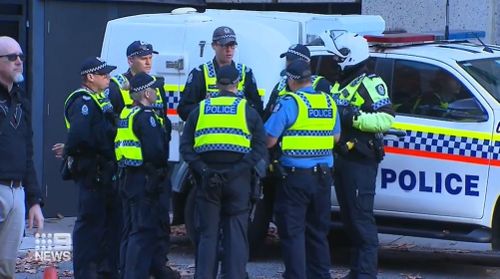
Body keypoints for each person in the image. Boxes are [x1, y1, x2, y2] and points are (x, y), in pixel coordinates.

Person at [180, 65, 267, 279]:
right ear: (238, 84)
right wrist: (237, 170)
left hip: (207, 179)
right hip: (238, 180)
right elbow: (259, 148)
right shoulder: (248, 110)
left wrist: (203, 170)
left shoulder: (200, 109)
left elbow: (186, 147)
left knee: (208, 235)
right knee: (236, 234)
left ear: (217, 84)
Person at [325, 31, 395, 279]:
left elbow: (386, 118)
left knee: (361, 220)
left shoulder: (370, 82)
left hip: (360, 161)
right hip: (343, 158)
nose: (334, 61)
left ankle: (365, 274)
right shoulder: (340, 82)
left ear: (349, 56)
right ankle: (357, 271)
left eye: (338, 56)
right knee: (349, 219)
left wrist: (355, 118)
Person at [264, 59, 340, 279]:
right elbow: (336, 137)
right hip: (324, 176)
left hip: (296, 178)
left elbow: (269, 140)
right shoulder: (328, 101)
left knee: (293, 232)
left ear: (292, 80)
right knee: (318, 232)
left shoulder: (290, 102)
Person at [63, 57, 120, 278]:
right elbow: (80, 137)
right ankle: (86, 273)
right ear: (90, 77)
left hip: (104, 173)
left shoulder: (99, 100)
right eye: (104, 74)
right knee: (89, 227)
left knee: (107, 225)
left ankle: (105, 271)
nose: (108, 78)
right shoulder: (83, 101)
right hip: (92, 172)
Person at [115, 72, 175, 279]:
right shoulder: (146, 117)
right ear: (146, 93)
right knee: (142, 232)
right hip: (144, 179)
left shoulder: (127, 113)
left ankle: (126, 272)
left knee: (130, 230)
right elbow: (155, 151)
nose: (157, 92)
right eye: (154, 89)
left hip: (128, 177)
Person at [0, 36, 44, 279]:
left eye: (21, 56)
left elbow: (28, 152)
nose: (19, 61)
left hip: (16, 192)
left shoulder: (21, 100)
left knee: (6, 268)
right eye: (12, 57)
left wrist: (34, 200)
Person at [177, 26, 263, 120]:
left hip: (237, 131)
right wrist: (207, 108)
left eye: (232, 46)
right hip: (209, 131)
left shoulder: (245, 72)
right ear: (214, 46)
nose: (229, 50)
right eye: (224, 45)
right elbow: (184, 110)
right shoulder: (200, 73)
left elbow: (257, 108)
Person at [263, 44, 332, 121]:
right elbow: (266, 116)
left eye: (293, 60)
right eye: (288, 59)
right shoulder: (280, 85)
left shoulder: (319, 84)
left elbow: (328, 117)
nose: (289, 63)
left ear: (307, 62)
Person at [108, 40, 167, 116]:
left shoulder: (156, 83)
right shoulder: (115, 86)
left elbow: (164, 118)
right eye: (143, 59)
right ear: (130, 60)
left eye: (150, 58)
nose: (148, 63)